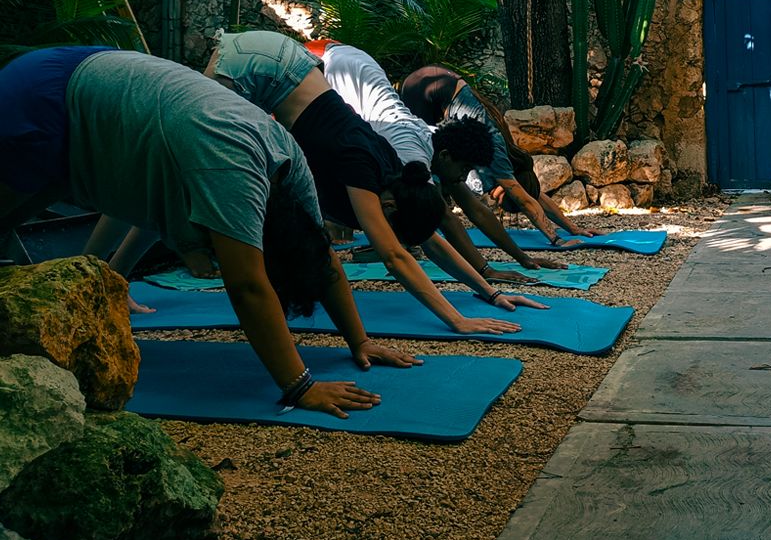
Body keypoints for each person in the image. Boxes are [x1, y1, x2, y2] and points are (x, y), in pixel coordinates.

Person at [0, 46, 418, 418]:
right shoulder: (233, 175)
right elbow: (249, 285)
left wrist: (359, 341)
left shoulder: (289, 168)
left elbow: (322, 260)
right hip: (40, 97)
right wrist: (300, 386)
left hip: (84, 75)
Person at [207, 31, 546, 335]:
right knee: (205, 165)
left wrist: (490, 291)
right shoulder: (364, 171)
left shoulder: (398, 177)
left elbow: (430, 240)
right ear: (389, 206)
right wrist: (456, 320)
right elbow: (394, 257)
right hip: (258, 66)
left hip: (286, 63)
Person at [397, 62, 596, 245]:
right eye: (502, 200)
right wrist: (556, 240)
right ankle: (409, 232)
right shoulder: (499, 161)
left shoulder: (510, 167)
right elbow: (524, 200)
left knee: (439, 166)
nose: (497, 201)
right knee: (420, 162)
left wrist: (574, 229)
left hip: (440, 83)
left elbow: (534, 196)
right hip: (425, 87)